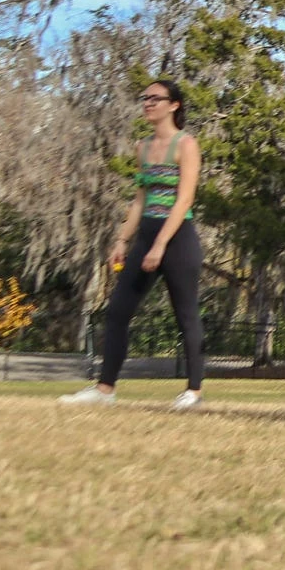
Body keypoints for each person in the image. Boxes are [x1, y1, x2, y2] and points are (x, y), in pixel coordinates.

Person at [62, 80, 206, 410]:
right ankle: (105, 390)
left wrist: (161, 245)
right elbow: (141, 199)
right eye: (145, 98)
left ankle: (194, 392)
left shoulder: (186, 145)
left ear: (174, 105)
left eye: (156, 98)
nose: (148, 103)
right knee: (117, 312)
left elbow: (184, 200)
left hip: (178, 240)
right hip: (146, 238)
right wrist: (122, 240)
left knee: (186, 314)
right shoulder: (143, 147)